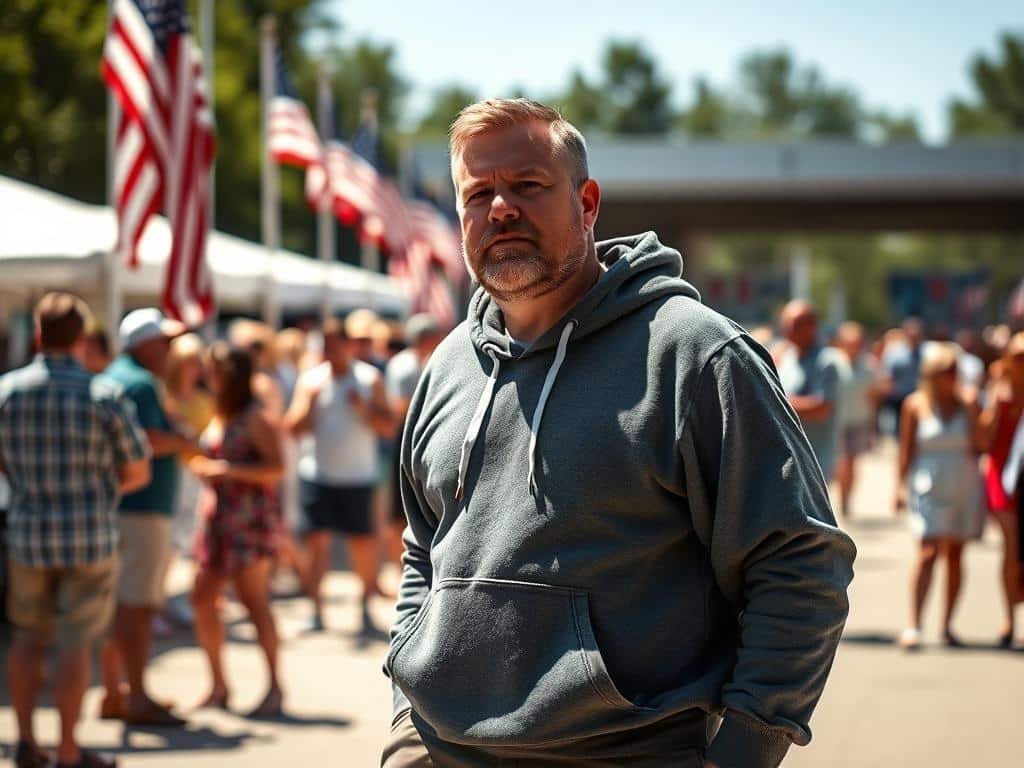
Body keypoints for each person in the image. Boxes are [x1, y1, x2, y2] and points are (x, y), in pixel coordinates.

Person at [382, 99, 854, 768]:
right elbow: (423, 549)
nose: (501, 209)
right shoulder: (449, 364)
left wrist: (747, 748)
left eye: (527, 185)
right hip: (439, 752)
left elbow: (801, 563)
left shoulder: (695, 356)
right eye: (478, 193)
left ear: (588, 202)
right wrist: (406, 715)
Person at [0, 292, 150, 768]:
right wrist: (102, 494)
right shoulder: (103, 394)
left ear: (39, 334)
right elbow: (138, 469)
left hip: (28, 533)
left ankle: (25, 740)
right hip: (89, 535)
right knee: (74, 642)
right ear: (82, 338)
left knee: (27, 636)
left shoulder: (7, 392)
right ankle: (67, 749)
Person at [99, 308, 196, 726]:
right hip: (142, 511)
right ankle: (134, 695)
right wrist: (183, 438)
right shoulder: (138, 382)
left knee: (118, 605)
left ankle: (116, 692)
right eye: (165, 342)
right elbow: (148, 441)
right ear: (145, 344)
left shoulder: (117, 376)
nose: (171, 351)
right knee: (136, 607)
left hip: (123, 508)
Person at [189, 343, 286, 717]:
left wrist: (226, 471)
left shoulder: (253, 417)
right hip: (218, 521)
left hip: (248, 523)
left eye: (214, 369)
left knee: (254, 603)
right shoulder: (223, 413)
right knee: (202, 598)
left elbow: (277, 468)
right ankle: (218, 685)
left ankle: (275, 687)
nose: (207, 376)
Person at [285, 318, 396, 633]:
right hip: (318, 475)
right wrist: (309, 405)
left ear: (348, 346)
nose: (332, 353)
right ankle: (316, 610)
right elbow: (292, 428)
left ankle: (365, 607)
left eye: (337, 346)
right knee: (316, 544)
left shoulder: (369, 379)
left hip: (358, 476)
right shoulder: (311, 382)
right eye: (327, 347)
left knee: (362, 546)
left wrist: (364, 410)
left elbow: (388, 426)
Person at [896, 342, 984, 650]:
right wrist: (899, 486)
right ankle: (914, 623)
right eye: (946, 372)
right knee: (928, 552)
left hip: (963, 481)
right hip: (928, 483)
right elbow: (906, 448)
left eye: (955, 372)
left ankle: (947, 624)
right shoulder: (915, 404)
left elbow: (981, 444)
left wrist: (975, 410)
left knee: (956, 554)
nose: (952, 377)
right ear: (932, 375)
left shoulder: (967, 402)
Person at [384, 314, 444, 564]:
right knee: (401, 508)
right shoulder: (404, 365)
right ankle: (402, 565)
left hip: (426, 437)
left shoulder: (431, 361)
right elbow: (400, 409)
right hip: (405, 440)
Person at [980, 331, 1024, 648]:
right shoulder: (999, 386)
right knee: (1011, 543)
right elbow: (983, 437)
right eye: (1019, 357)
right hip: (1003, 473)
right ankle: (1009, 617)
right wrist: (994, 407)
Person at [776, 300, 843, 484]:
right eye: (786, 323)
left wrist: (775, 403)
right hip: (788, 457)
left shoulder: (826, 361)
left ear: (812, 327)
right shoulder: (787, 358)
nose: (788, 329)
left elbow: (821, 409)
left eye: (795, 325)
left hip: (815, 459)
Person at [834, 322, 878, 517]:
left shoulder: (869, 366)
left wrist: (873, 425)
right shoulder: (833, 363)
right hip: (836, 422)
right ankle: (841, 495)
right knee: (840, 462)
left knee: (851, 463)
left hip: (859, 421)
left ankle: (847, 498)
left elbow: (873, 397)